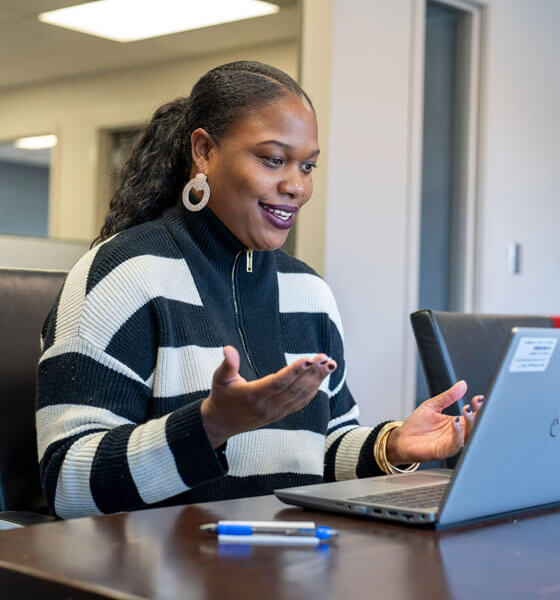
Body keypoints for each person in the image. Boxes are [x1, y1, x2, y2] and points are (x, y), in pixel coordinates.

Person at [36, 61, 481, 520]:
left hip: (288, 565)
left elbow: (318, 454)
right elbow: (69, 483)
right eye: (273, 160)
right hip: (167, 576)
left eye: (307, 166)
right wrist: (210, 426)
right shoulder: (123, 274)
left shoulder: (308, 291)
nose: (296, 186)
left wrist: (391, 444)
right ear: (204, 152)